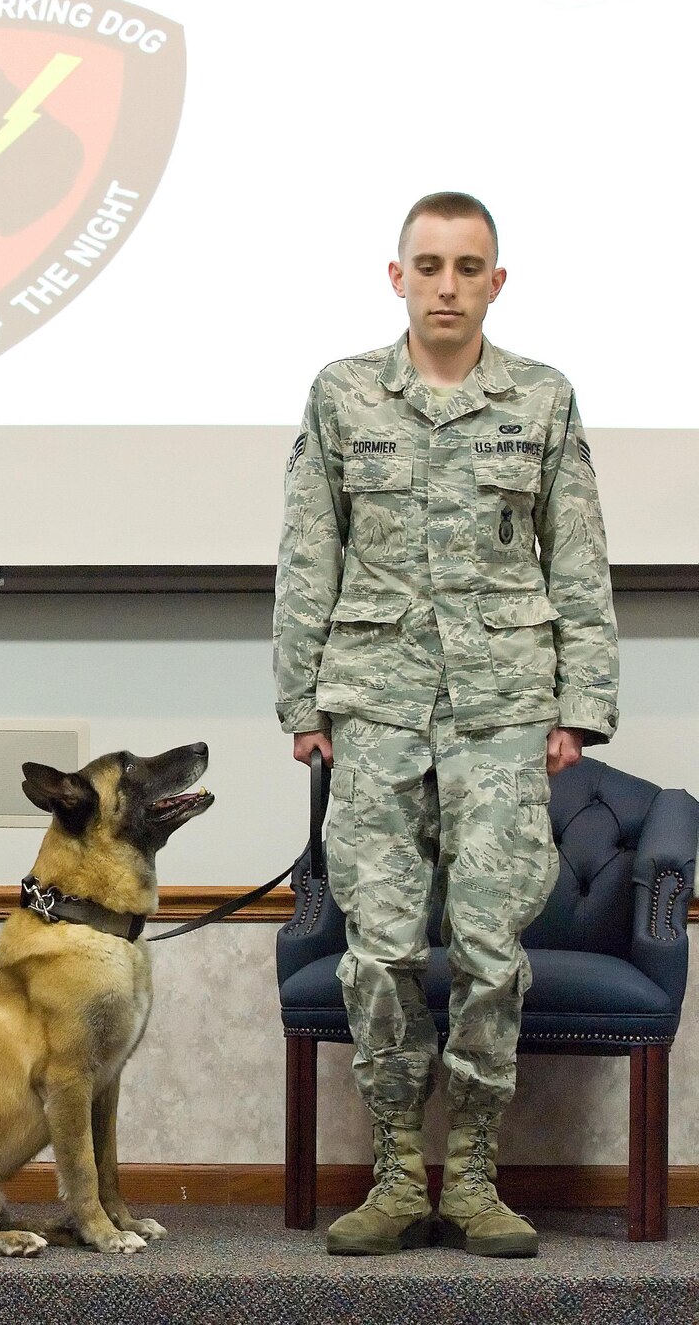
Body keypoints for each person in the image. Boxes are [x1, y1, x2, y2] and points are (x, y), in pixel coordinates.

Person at [273, 192, 617, 1258]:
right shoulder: (341, 396)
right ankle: (389, 1170)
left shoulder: (541, 399)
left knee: (487, 950)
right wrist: (301, 701)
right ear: (395, 277)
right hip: (372, 706)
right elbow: (304, 550)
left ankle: (467, 1171)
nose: (445, 286)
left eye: (467, 267)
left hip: (503, 711)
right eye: (426, 265)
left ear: (494, 282)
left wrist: (578, 710)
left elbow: (577, 560)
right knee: (374, 953)